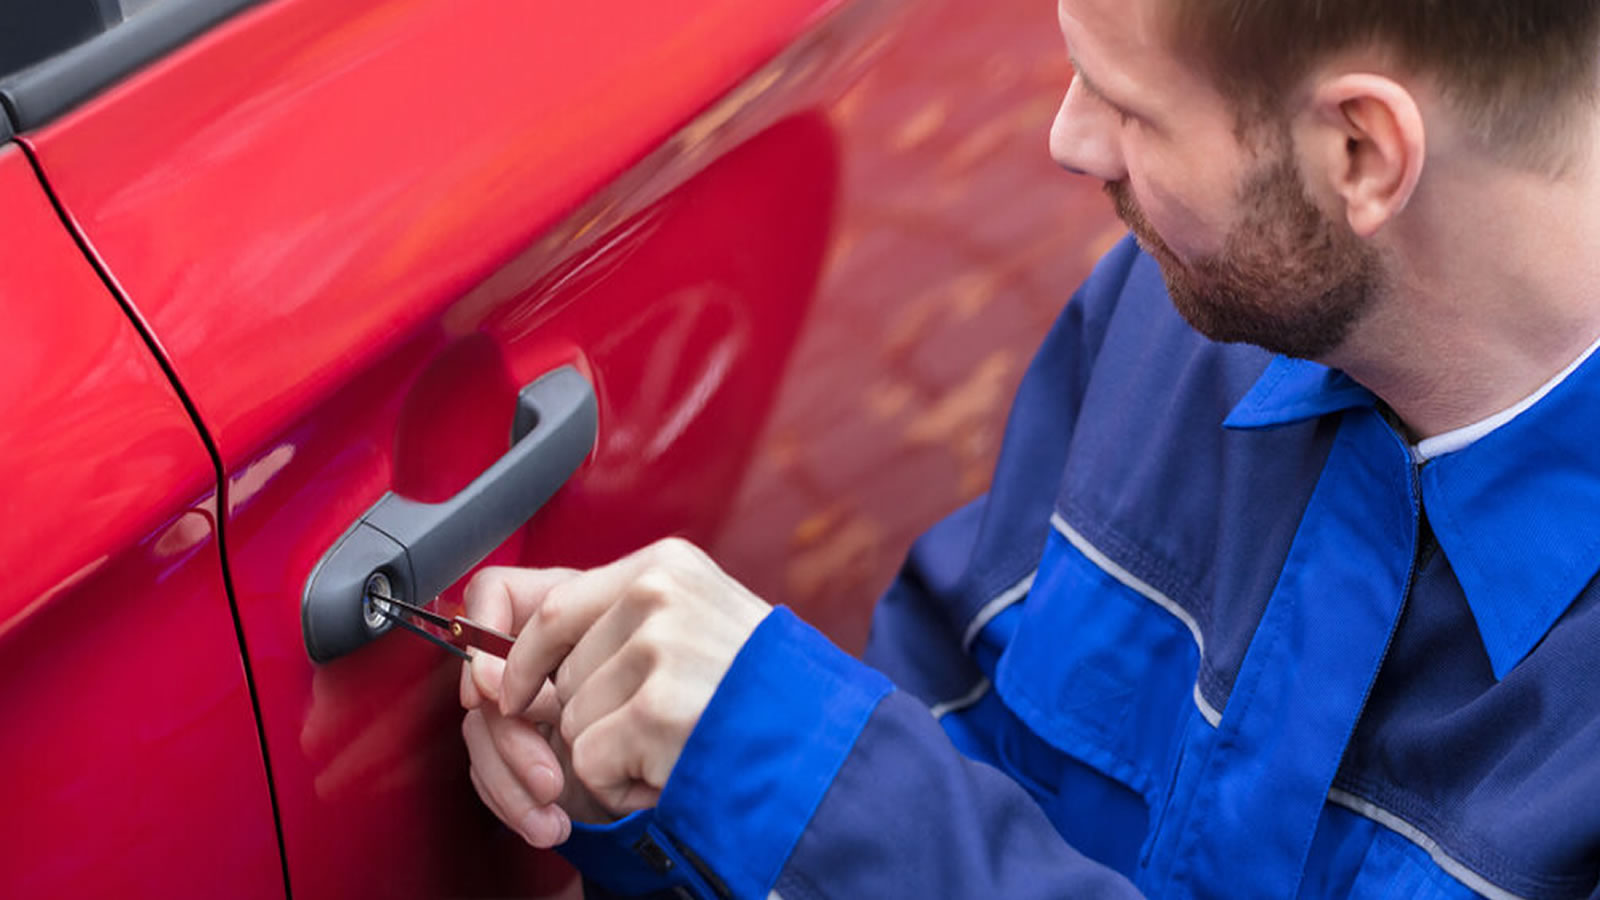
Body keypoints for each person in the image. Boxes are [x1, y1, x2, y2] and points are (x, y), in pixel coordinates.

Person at [460, 0, 1600, 895]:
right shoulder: (1169, 334)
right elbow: (945, 735)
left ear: (1359, 151)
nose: (1069, 141)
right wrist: (674, 784)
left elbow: (871, 809)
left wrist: (790, 764)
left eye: (1129, 107)